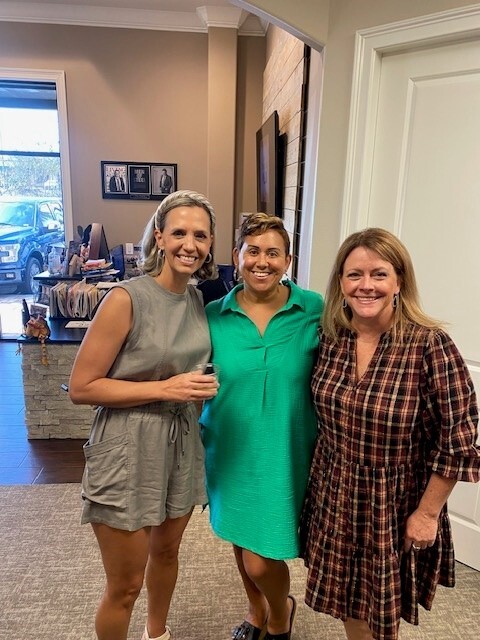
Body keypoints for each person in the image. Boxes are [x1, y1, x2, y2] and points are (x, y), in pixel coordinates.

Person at [300, 227, 480, 640]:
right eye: (354, 275)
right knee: (349, 601)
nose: (366, 285)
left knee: (381, 612)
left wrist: (428, 513)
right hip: (334, 491)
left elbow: (458, 441)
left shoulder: (430, 345)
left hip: (393, 501)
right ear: (340, 282)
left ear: (399, 281)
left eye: (379, 274)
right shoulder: (330, 337)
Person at [69, 190, 220, 640]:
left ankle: (157, 634)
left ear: (210, 243)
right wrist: (166, 388)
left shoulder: (198, 301)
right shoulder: (125, 298)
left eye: (200, 235)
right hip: (127, 443)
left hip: (181, 442)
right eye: (179, 233)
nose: (189, 245)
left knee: (168, 554)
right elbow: (82, 387)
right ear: (159, 236)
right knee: (126, 585)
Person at [200, 213, 324, 640]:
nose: (262, 262)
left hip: (285, 449)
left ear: (288, 260)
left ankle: (279, 615)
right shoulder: (214, 315)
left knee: (261, 555)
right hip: (228, 446)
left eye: (273, 253)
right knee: (239, 536)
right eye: (252, 251)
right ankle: (257, 611)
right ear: (237, 256)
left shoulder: (314, 309)